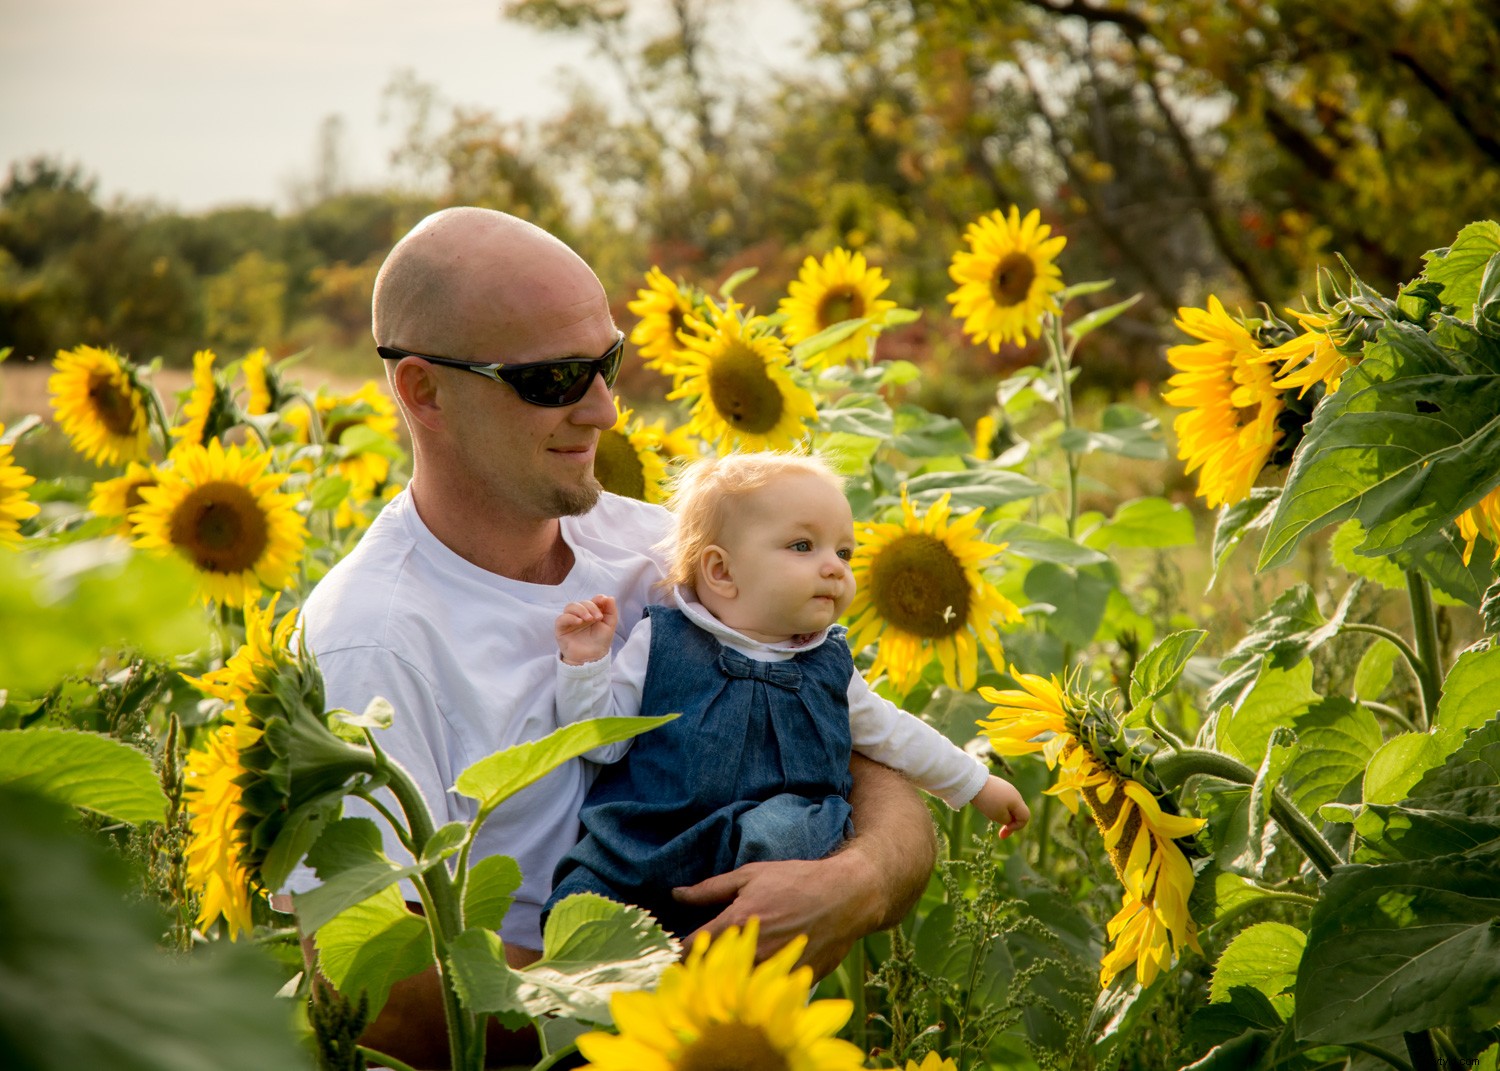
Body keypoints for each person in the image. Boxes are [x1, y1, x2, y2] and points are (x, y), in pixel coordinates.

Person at [277, 207, 939, 1069]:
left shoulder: (662, 550)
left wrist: (852, 885)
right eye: (553, 378)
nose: (605, 410)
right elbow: (375, 990)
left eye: (606, 362)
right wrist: (679, 1005)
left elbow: (872, 755)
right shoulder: (373, 642)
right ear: (423, 391)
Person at [544, 452, 1030, 935]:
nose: (835, 568)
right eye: (803, 546)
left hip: (769, 870)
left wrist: (975, 783)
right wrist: (586, 664)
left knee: (793, 828)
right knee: (584, 905)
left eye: (844, 553)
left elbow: (893, 734)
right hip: (649, 847)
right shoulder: (662, 643)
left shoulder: (828, 666)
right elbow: (602, 742)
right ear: (721, 572)